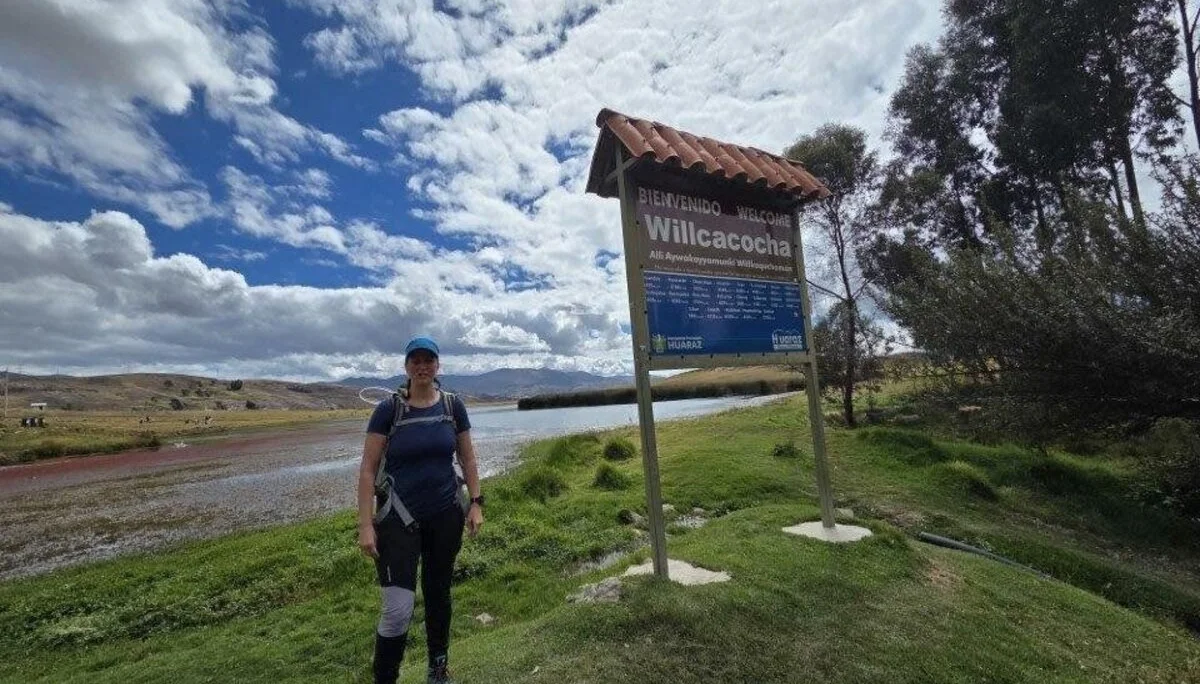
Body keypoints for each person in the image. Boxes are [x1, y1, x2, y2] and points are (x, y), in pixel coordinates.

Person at [358, 336, 484, 684]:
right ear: (407, 366)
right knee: (397, 609)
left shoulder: (453, 406)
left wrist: (475, 503)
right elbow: (368, 469)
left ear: (438, 365)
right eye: (416, 360)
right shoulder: (388, 411)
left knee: (438, 594)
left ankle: (437, 670)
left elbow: (468, 458)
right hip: (397, 520)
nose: (423, 366)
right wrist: (366, 524)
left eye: (429, 360)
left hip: (445, 516)